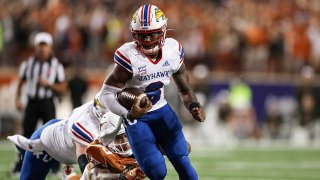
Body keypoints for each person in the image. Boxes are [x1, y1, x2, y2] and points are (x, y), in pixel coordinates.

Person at [97, 4, 206, 179]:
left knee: (182, 161)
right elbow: (106, 94)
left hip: (162, 110)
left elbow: (185, 89)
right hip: (137, 119)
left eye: (152, 34)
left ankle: (163, 146)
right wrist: (128, 113)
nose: (147, 40)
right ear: (134, 34)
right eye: (142, 35)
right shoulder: (129, 56)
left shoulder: (172, 51)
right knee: (157, 172)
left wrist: (193, 105)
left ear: (162, 31)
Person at [7, 94, 113, 180]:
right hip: (46, 144)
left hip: (61, 134)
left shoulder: (108, 115)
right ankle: (25, 150)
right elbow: (86, 168)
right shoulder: (83, 124)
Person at [13, 32, 67, 173]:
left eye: (45, 46)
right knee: (26, 134)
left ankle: (54, 167)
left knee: (53, 135)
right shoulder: (28, 64)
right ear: (36, 47)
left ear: (50, 47)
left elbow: (63, 88)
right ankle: (21, 164)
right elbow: (20, 83)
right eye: (40, 46)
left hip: (47, 103)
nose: (42, 49)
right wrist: (17, 99)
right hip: (32, 103)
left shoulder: (56, 65)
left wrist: (48, 85)